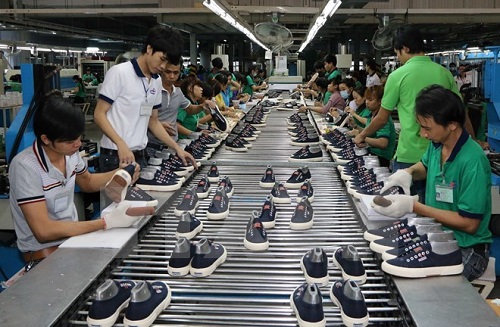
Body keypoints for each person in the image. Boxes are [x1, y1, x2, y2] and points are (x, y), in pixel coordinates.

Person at [372, 85, 492, 281]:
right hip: (436, 237)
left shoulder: (473, 161)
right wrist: (409, 172)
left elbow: (469, 223)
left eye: (427, 128)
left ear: (452, 124)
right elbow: (425, 167)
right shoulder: (438, 146)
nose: (423, 134)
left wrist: (414, 206)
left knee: (423, 286)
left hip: (466, 248)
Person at [9, 94, 142, 267]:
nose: (78, 144)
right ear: (46, 139)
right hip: (44, 257)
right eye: (70, 141)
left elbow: (87, 182)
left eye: (79, 137)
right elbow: (44, 231)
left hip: (73, 244)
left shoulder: (70, 155)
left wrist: (121, 173)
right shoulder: (25, 167)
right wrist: (106, 222)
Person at [354, 25, 471, 201]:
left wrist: (361, 136)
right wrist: (473, 142)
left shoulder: (398, 75)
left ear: (406, 49)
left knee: (404, 211)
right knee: (438, 209)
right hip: (443, 155)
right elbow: (462, 114)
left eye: (397, 53)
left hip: (410, 155)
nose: (398, 58)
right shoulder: (444, 73)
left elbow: (381, 118)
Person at [94, 25, 196, 172]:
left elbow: (153, 121)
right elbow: (99, 114)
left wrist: (177, 148)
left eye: (167, 63)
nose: (162, 66)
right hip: (115, 157)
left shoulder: (156, 81)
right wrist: (120, 144)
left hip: (141, 156)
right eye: (161, 59)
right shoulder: (120, 73)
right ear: (149, 49)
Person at [145, 62, 214, 156]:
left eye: (176, 73)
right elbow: (139, 117)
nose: (172, 76)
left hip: (172, 145)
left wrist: (201, 106)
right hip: (153, 146)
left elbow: (189, 109)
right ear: (161, 71)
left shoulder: (177, 92)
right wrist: (157, 124)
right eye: (168, 72)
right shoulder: (151, 91)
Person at [349, 85, 396, 167]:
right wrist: (356, 126)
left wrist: (362, 137)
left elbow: (383, 143)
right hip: (371, 155)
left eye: (370, 100)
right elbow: (371, 133)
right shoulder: (372, 115)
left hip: (380, 160)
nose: (367, 102)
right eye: (366, 99)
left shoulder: (383, 119)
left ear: (380, 101)